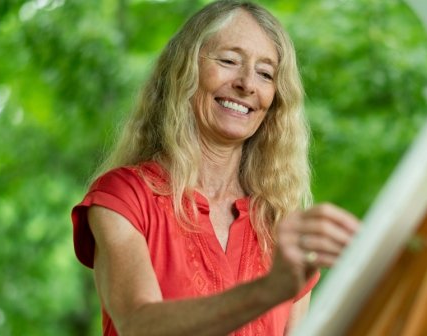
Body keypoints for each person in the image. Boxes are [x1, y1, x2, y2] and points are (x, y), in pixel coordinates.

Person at [71, 1, 360, 335]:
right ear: (184, 71)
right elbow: (138, 325)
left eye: (265, 74)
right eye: (229, 61)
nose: (247, 84)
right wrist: (269, 290)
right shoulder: (124, 197)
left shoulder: (279, 221)